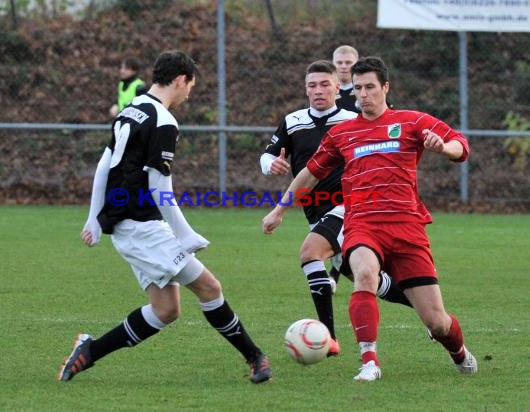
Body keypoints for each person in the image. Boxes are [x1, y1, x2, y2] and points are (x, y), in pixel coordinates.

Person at [58, 50, 272, 384]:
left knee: (166, 310)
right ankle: (255, 357)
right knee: (210, 287)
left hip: (135, 222)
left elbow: (104, 163)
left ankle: (89, 351)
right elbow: (159, 183)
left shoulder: (132, 109)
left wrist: (94, 218)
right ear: (180, 79)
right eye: (190, 86)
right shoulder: (163, 119)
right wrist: (185, 234)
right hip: (140, 227)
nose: (189, 94)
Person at [262, 56, 477, 381]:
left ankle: (457, 351)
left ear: (385, 87)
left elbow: (461, 145)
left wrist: (444, 148)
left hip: (407, 228)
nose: (363, 94)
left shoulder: (412, 121)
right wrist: (279, 209)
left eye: (370, 87)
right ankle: (369, 362)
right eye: (358, 88)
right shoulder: (342, 133)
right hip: (361, 222)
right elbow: (309, 175)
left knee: (437, 321)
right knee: (364, 277)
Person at [260, 59, 412, 357]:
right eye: (312, 85)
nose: (318, 90)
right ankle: (428, 311)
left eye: (325, 84)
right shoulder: (293, 121)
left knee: (310, 253)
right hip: (315, 212)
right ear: (305, 90)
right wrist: (271, 165)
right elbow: (267, 155)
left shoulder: (352, 118)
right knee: (364, 278)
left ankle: (328, 338)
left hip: (351, 206)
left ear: (337, 87)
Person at [332, 45, 359, 113]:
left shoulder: (366, 91)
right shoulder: (326, 92)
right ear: (333, 64)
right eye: (339, 63)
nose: (343, 66)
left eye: (348, 62)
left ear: (357, 64)